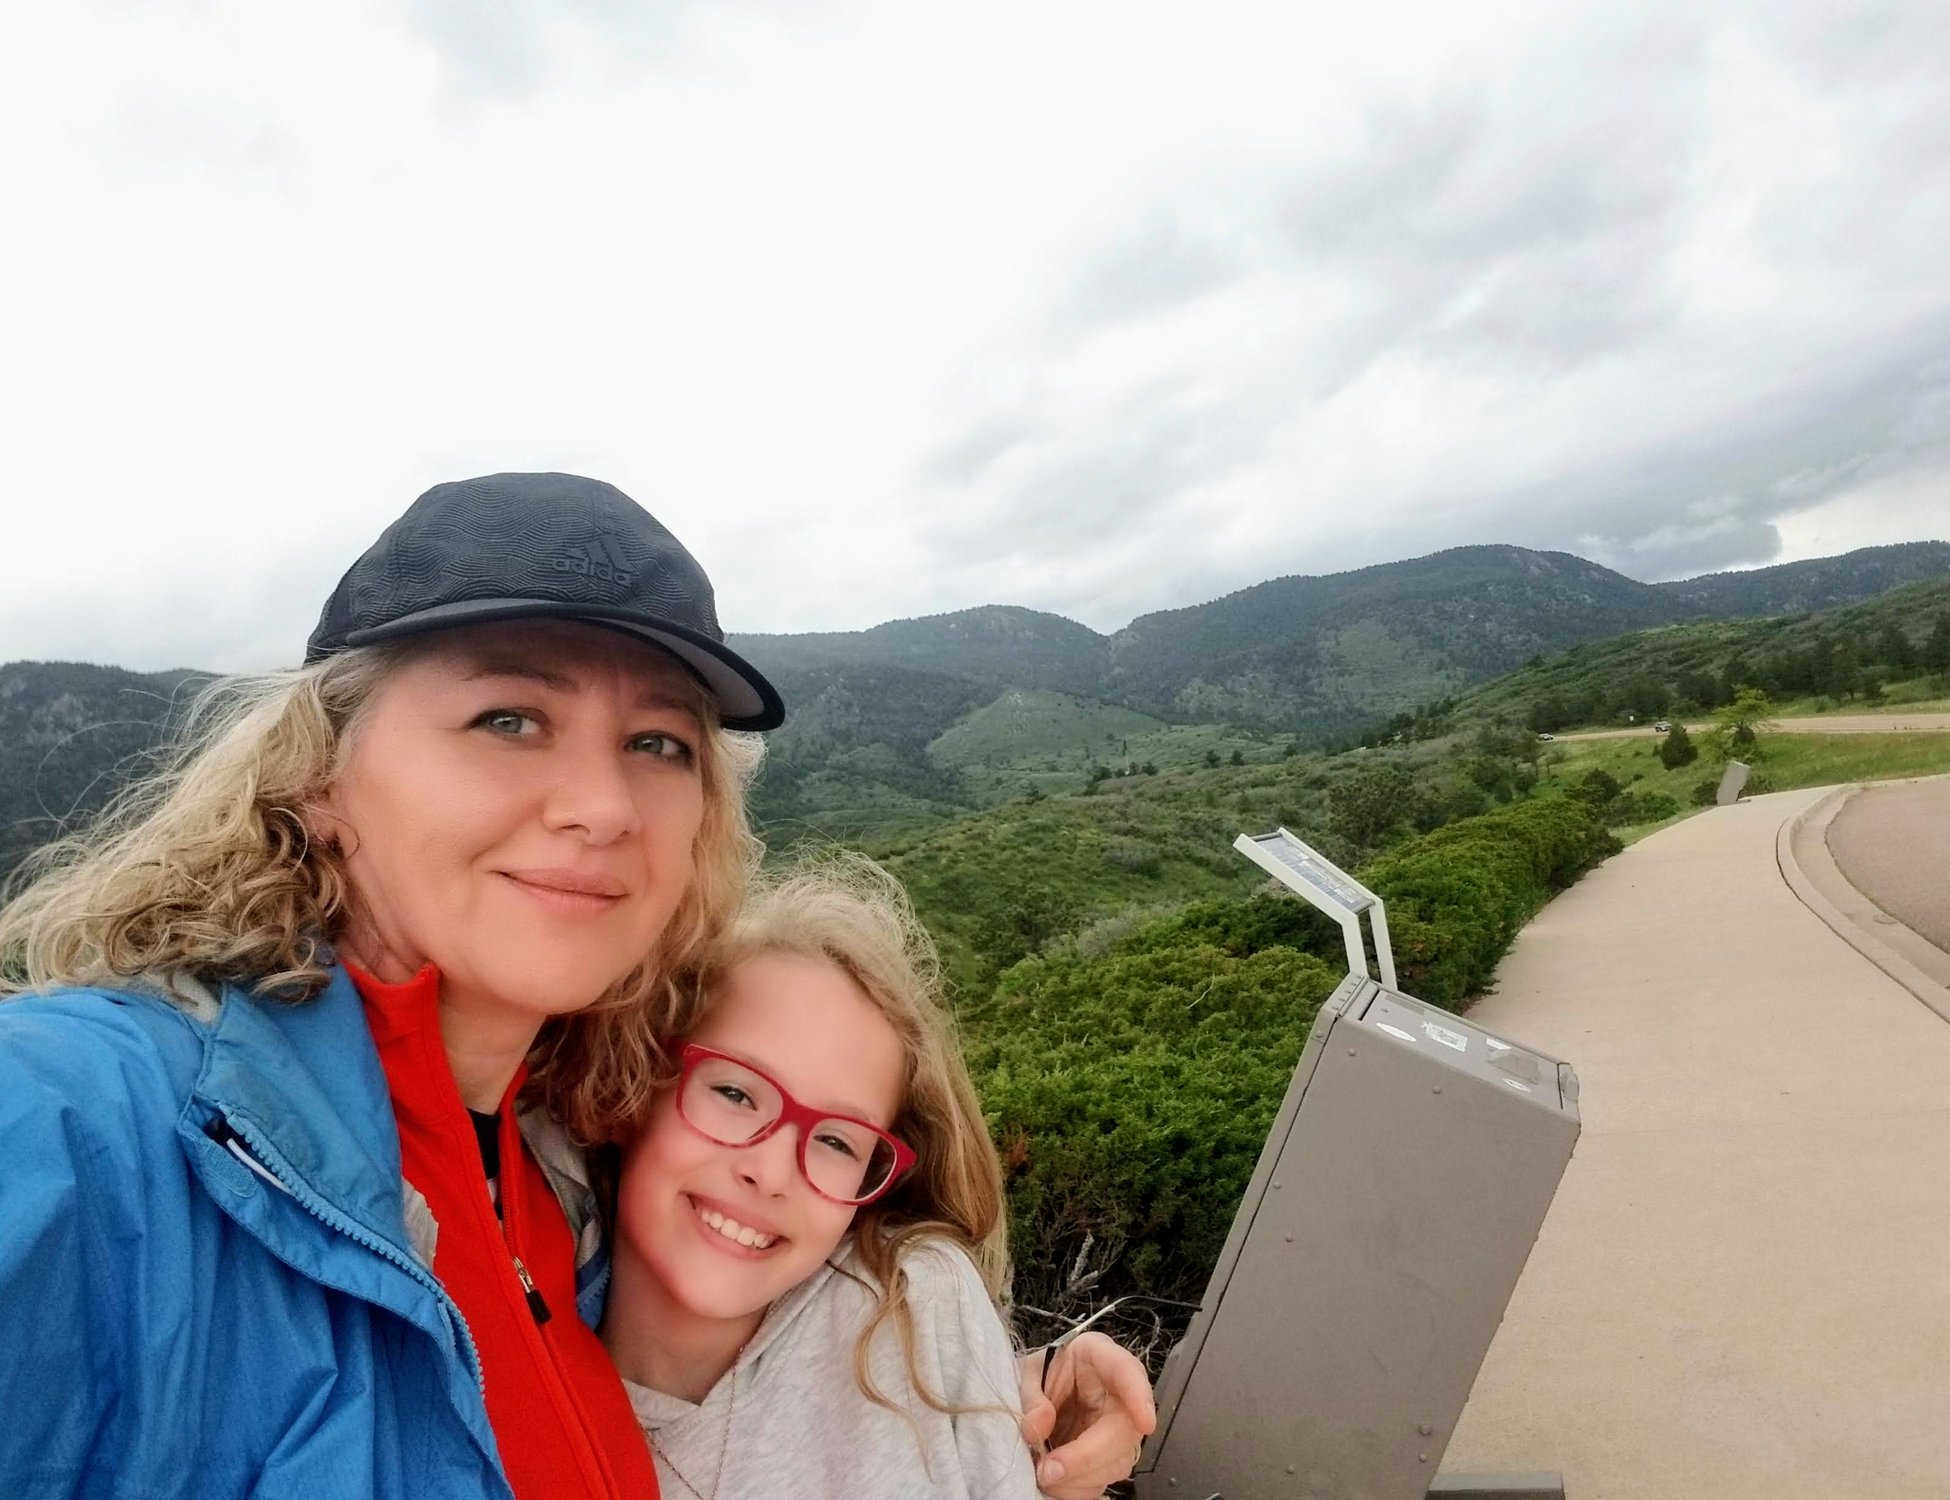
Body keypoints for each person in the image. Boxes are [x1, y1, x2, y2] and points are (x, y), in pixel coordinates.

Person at [0, 473, 1151, 1500]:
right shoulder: (90, 1124)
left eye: (658, 744)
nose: (600, 806)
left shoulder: (569, 1176)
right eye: (509, 718)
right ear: (318, 781)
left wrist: (1000, 1403)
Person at [600, 855, 1063, 1498]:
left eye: (837, 1141)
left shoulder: (909, 1310)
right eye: (735, 1093)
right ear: (635, 1081)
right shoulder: (480, 1376)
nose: (770, 1172)